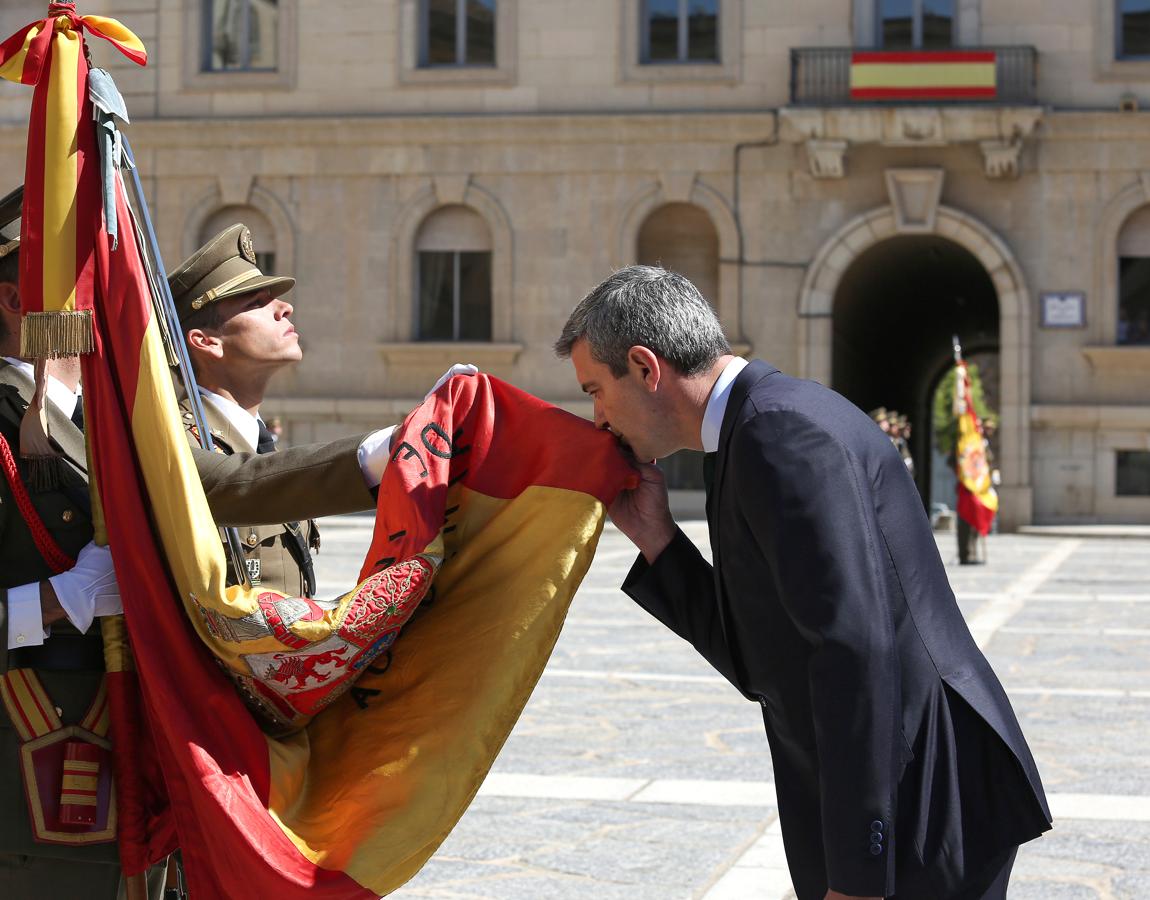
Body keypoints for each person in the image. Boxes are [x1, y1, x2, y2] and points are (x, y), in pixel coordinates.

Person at [555, 265, 1051, 900]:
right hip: (903, 792)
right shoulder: (751, 430)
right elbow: (765, 660)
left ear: (646, 368)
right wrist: (658, 540)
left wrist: (858, 871)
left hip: (917, 805)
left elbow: (853, 651)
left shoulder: (777, 433)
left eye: (596, 389)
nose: (597, 418)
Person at [0, 187, 429, 898]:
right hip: (35, 774)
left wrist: (377, 458)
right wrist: (59, 601)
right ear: (21, 303)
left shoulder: (106, 419)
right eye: (86, 283)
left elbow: (222, 483)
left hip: (144, 768)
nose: (113, 299)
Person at [168, 224, 475, 597]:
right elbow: (243, 481)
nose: (285, 308)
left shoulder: (262, 447)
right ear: (206, 342)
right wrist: (399, 440)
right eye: (256, 303)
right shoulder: (177, 442)